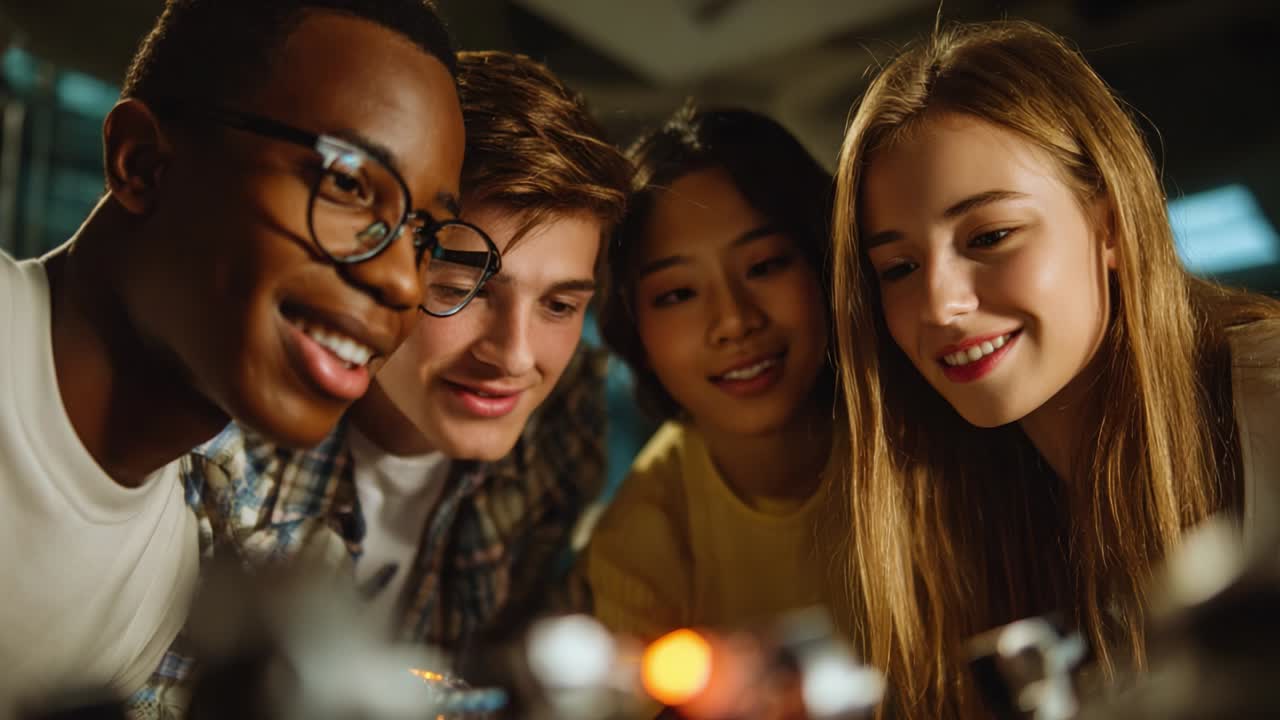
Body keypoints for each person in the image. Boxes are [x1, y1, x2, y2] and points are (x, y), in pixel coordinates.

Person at [0, 0, 486, 710]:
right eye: (349, 184)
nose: (403, 279)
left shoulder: (165, 576)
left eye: (425, 235)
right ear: (143, 163)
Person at [126, 49, 631, 718]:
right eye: (460, 287)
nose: (514, 355)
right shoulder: (219, 452)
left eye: (560, 306)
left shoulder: (569, 423)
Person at [831, 19, 1280, 718]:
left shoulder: (1269, 396)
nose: (941, 304)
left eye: (990, 236)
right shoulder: (949, 511)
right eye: (898, 268)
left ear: (1109, 226)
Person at [586, 105, 846, 644]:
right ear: (634, 328)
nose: (733, 321)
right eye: (678, 293)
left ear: (824, 261)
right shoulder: (639, 542)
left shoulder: (929, 441)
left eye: (765, 265)